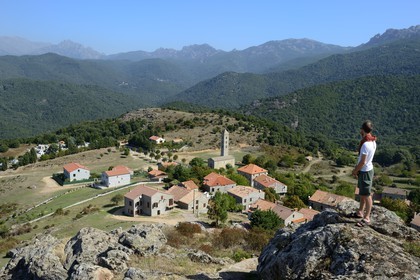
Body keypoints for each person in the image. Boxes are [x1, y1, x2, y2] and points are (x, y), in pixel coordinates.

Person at [352, 120, 377, 226]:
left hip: (365, 171)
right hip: (366, 170)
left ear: (362, 130)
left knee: (367, 195)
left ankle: (367, 218)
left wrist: (355, 171)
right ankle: (360, 212)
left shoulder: (366, 144)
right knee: (362, 193)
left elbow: (363, 162)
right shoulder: (372, 141)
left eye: (360, 129)